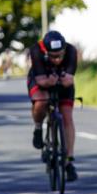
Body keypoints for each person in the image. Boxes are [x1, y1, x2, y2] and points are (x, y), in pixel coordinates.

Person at [27, 31, 79, 182]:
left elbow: (69, 80)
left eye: (59, 56)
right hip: (40, 78)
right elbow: (42, 81)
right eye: (52, 56)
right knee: (41, 101)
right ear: (45, 52)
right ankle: (38, 128)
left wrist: (61, 79)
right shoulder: (36, 51)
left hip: (61, 81)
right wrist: (50, 81)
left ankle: (69, 161)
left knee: (67, 116)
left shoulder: (71, 51)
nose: (56, 60)